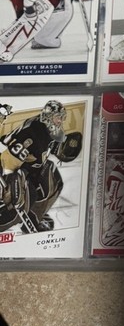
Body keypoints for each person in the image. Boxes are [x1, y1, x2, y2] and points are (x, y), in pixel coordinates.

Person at [0, 100, 82, 234]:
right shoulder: (33, 132)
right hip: (10, 170)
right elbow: (8, 158)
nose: (60, 121)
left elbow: (50, 147)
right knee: (26, 195)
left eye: (61, 118)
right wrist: (9, 183)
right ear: (48, 117)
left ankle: (33, 217)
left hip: (27, 169)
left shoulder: (47, 129)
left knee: (53, 177)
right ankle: (7, 218)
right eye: (57, 117)